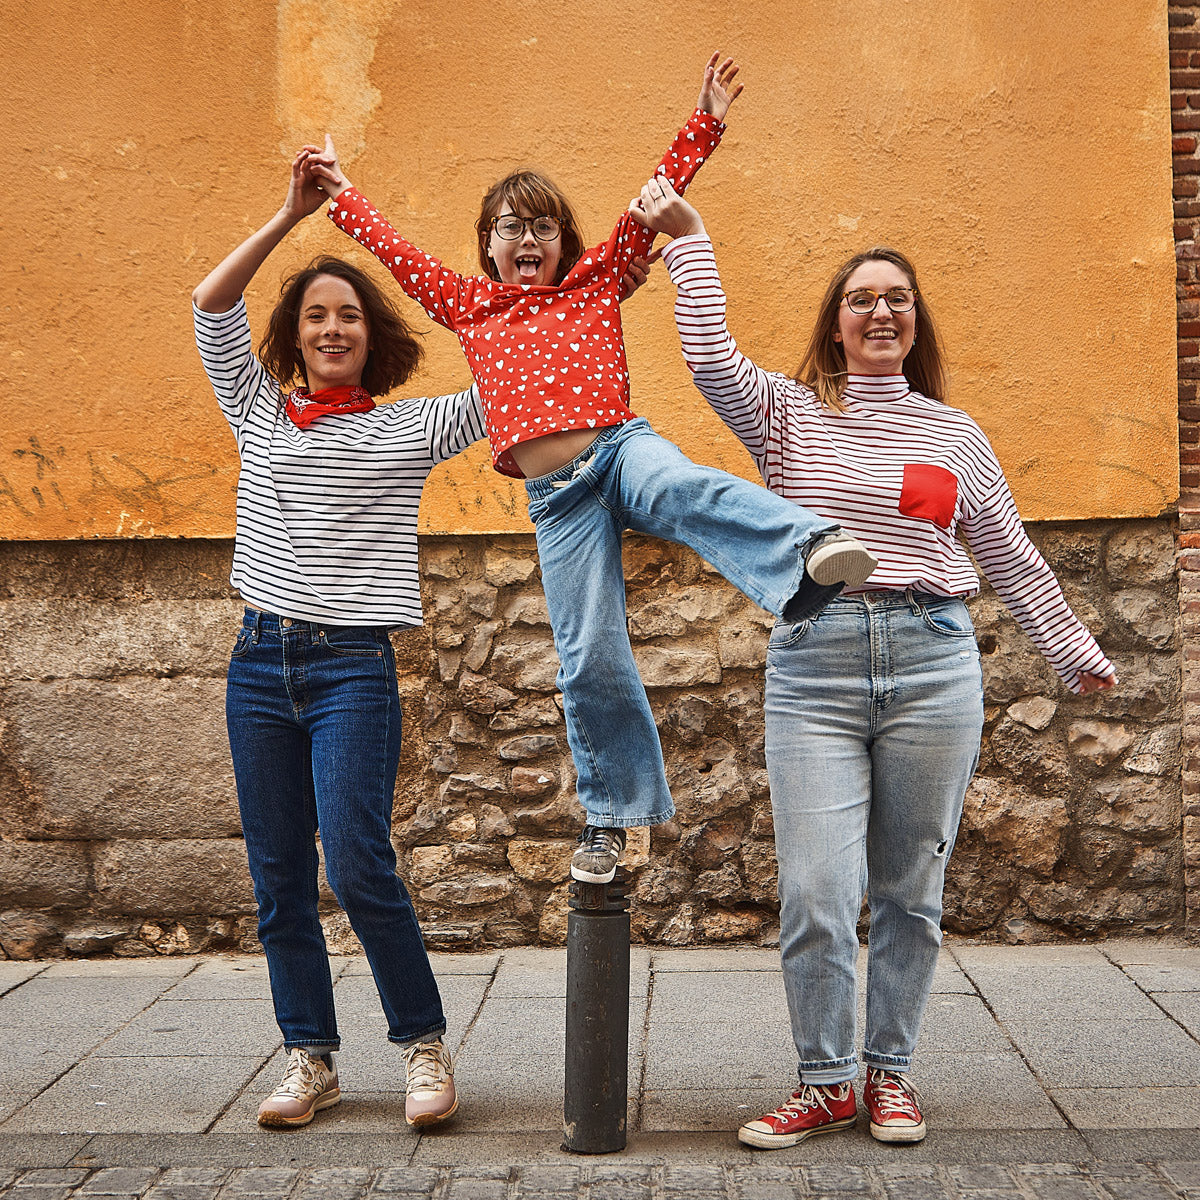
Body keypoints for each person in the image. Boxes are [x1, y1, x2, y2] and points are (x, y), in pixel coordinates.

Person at [305, 54, 879, 886]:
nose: (527, 238)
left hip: (618, 448)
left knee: (685, 488)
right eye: (510, 227)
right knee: (589, 654)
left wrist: (706, 118)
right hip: (558, 501)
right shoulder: (467, 303)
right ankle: (610, 820)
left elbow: (656, 196)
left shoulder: (595, 280)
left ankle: (810, 550)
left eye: (541, 226)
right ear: (489, 246)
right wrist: (340, 192)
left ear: (563, 241)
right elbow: (393, 251)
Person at [632, 176, 1116, 1148]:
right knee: (816, 891)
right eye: (863, 298)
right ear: (837, 325)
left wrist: (1073, 650)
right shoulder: (789, 415)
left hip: (936, 665)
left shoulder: (955, 434)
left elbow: (1009, 553)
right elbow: (709, 359)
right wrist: (689, 238)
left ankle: (890, 1075)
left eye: (898, 296)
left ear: (915, 321)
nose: (882, 308)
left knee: (910, 889)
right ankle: (825, 1081)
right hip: (818, 661)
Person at [191, 146, 489, 1130]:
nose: (330, 326)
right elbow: (208, 302)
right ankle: (309, 1056)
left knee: (358, 859)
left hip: (353, 668)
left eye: (348, 315)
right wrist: (290, 215)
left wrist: (544, 291)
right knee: (278, 872)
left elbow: (509, 382)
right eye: (315, 313)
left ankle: (422, 1044)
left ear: (372, 339)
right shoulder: (258, 410)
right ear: (295, 332)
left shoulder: (409, 429)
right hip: (257, 664)